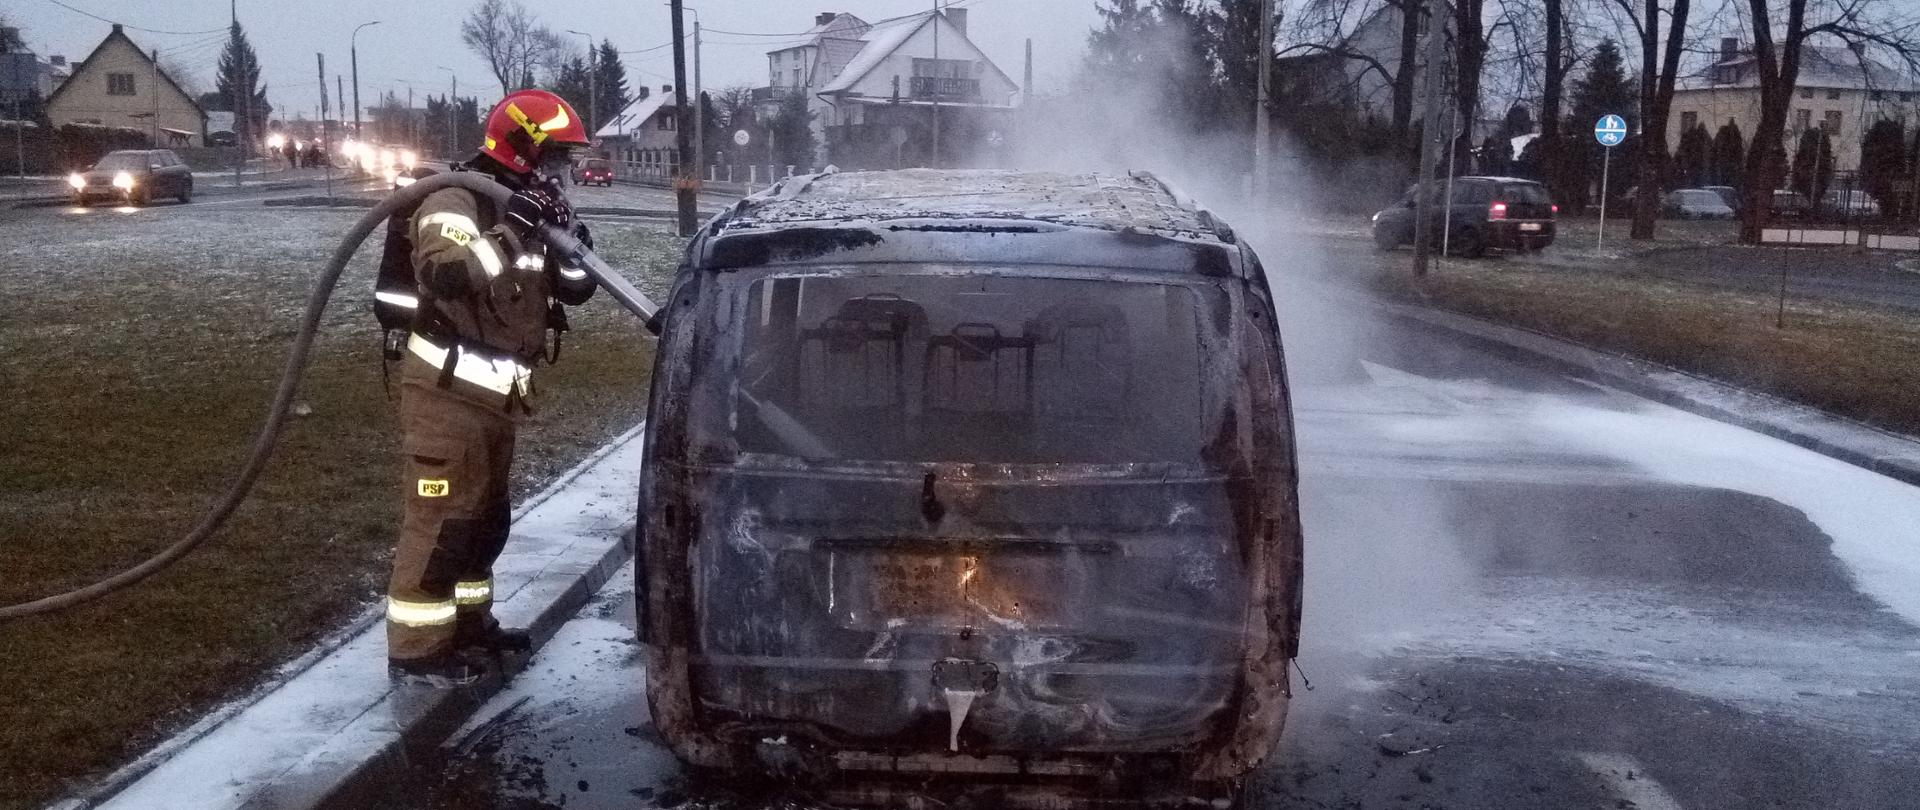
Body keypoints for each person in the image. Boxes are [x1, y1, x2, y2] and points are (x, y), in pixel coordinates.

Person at [385, 89, 598, 686]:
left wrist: (569, 237)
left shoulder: (533, 207)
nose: (565, 171)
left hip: (498, 398)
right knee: (442, 522)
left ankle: (469, 624)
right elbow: (444, 275)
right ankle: (418, 649)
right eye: (556, 156)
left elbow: (576, 289)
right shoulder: (455, 200)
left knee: (485, 521)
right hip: (446, 393)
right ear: (523, 148)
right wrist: (513, 228)